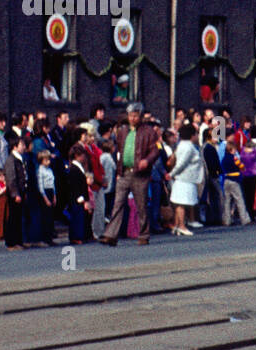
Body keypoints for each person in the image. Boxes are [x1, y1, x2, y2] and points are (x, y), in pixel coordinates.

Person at [99, 102, 161, 246]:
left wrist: (147, 160)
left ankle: (144, 234)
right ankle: (111, 234)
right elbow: (119, 151)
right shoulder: (123, 131)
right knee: (118, 203)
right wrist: (118, 170)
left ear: (140, 116)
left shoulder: (148, 131)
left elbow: (156, 150)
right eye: (130, 115)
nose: (133, 118)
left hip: (140, 173)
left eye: (135, 116)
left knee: (141, 205)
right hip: (125, 172)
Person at [168, 123, 202, 237]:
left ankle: (178, 225)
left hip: (184, 178)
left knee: (179, 203)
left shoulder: (182, 145)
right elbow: (182, 163)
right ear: (192, 135)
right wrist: (172, 174)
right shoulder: (188, 147)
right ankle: (182, 226)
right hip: (185, 178)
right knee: (182, 203)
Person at [65, 145, 92, 244]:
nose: (84, 157)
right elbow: (75, 185)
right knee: (76, 217)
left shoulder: (78, 167)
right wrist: (82, 198)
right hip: (76, 197)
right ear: (77, 155)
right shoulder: (73, 169)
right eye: (82, 155)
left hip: (79, 196)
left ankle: (80, 235)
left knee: (80, 217)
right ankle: (75, 236)